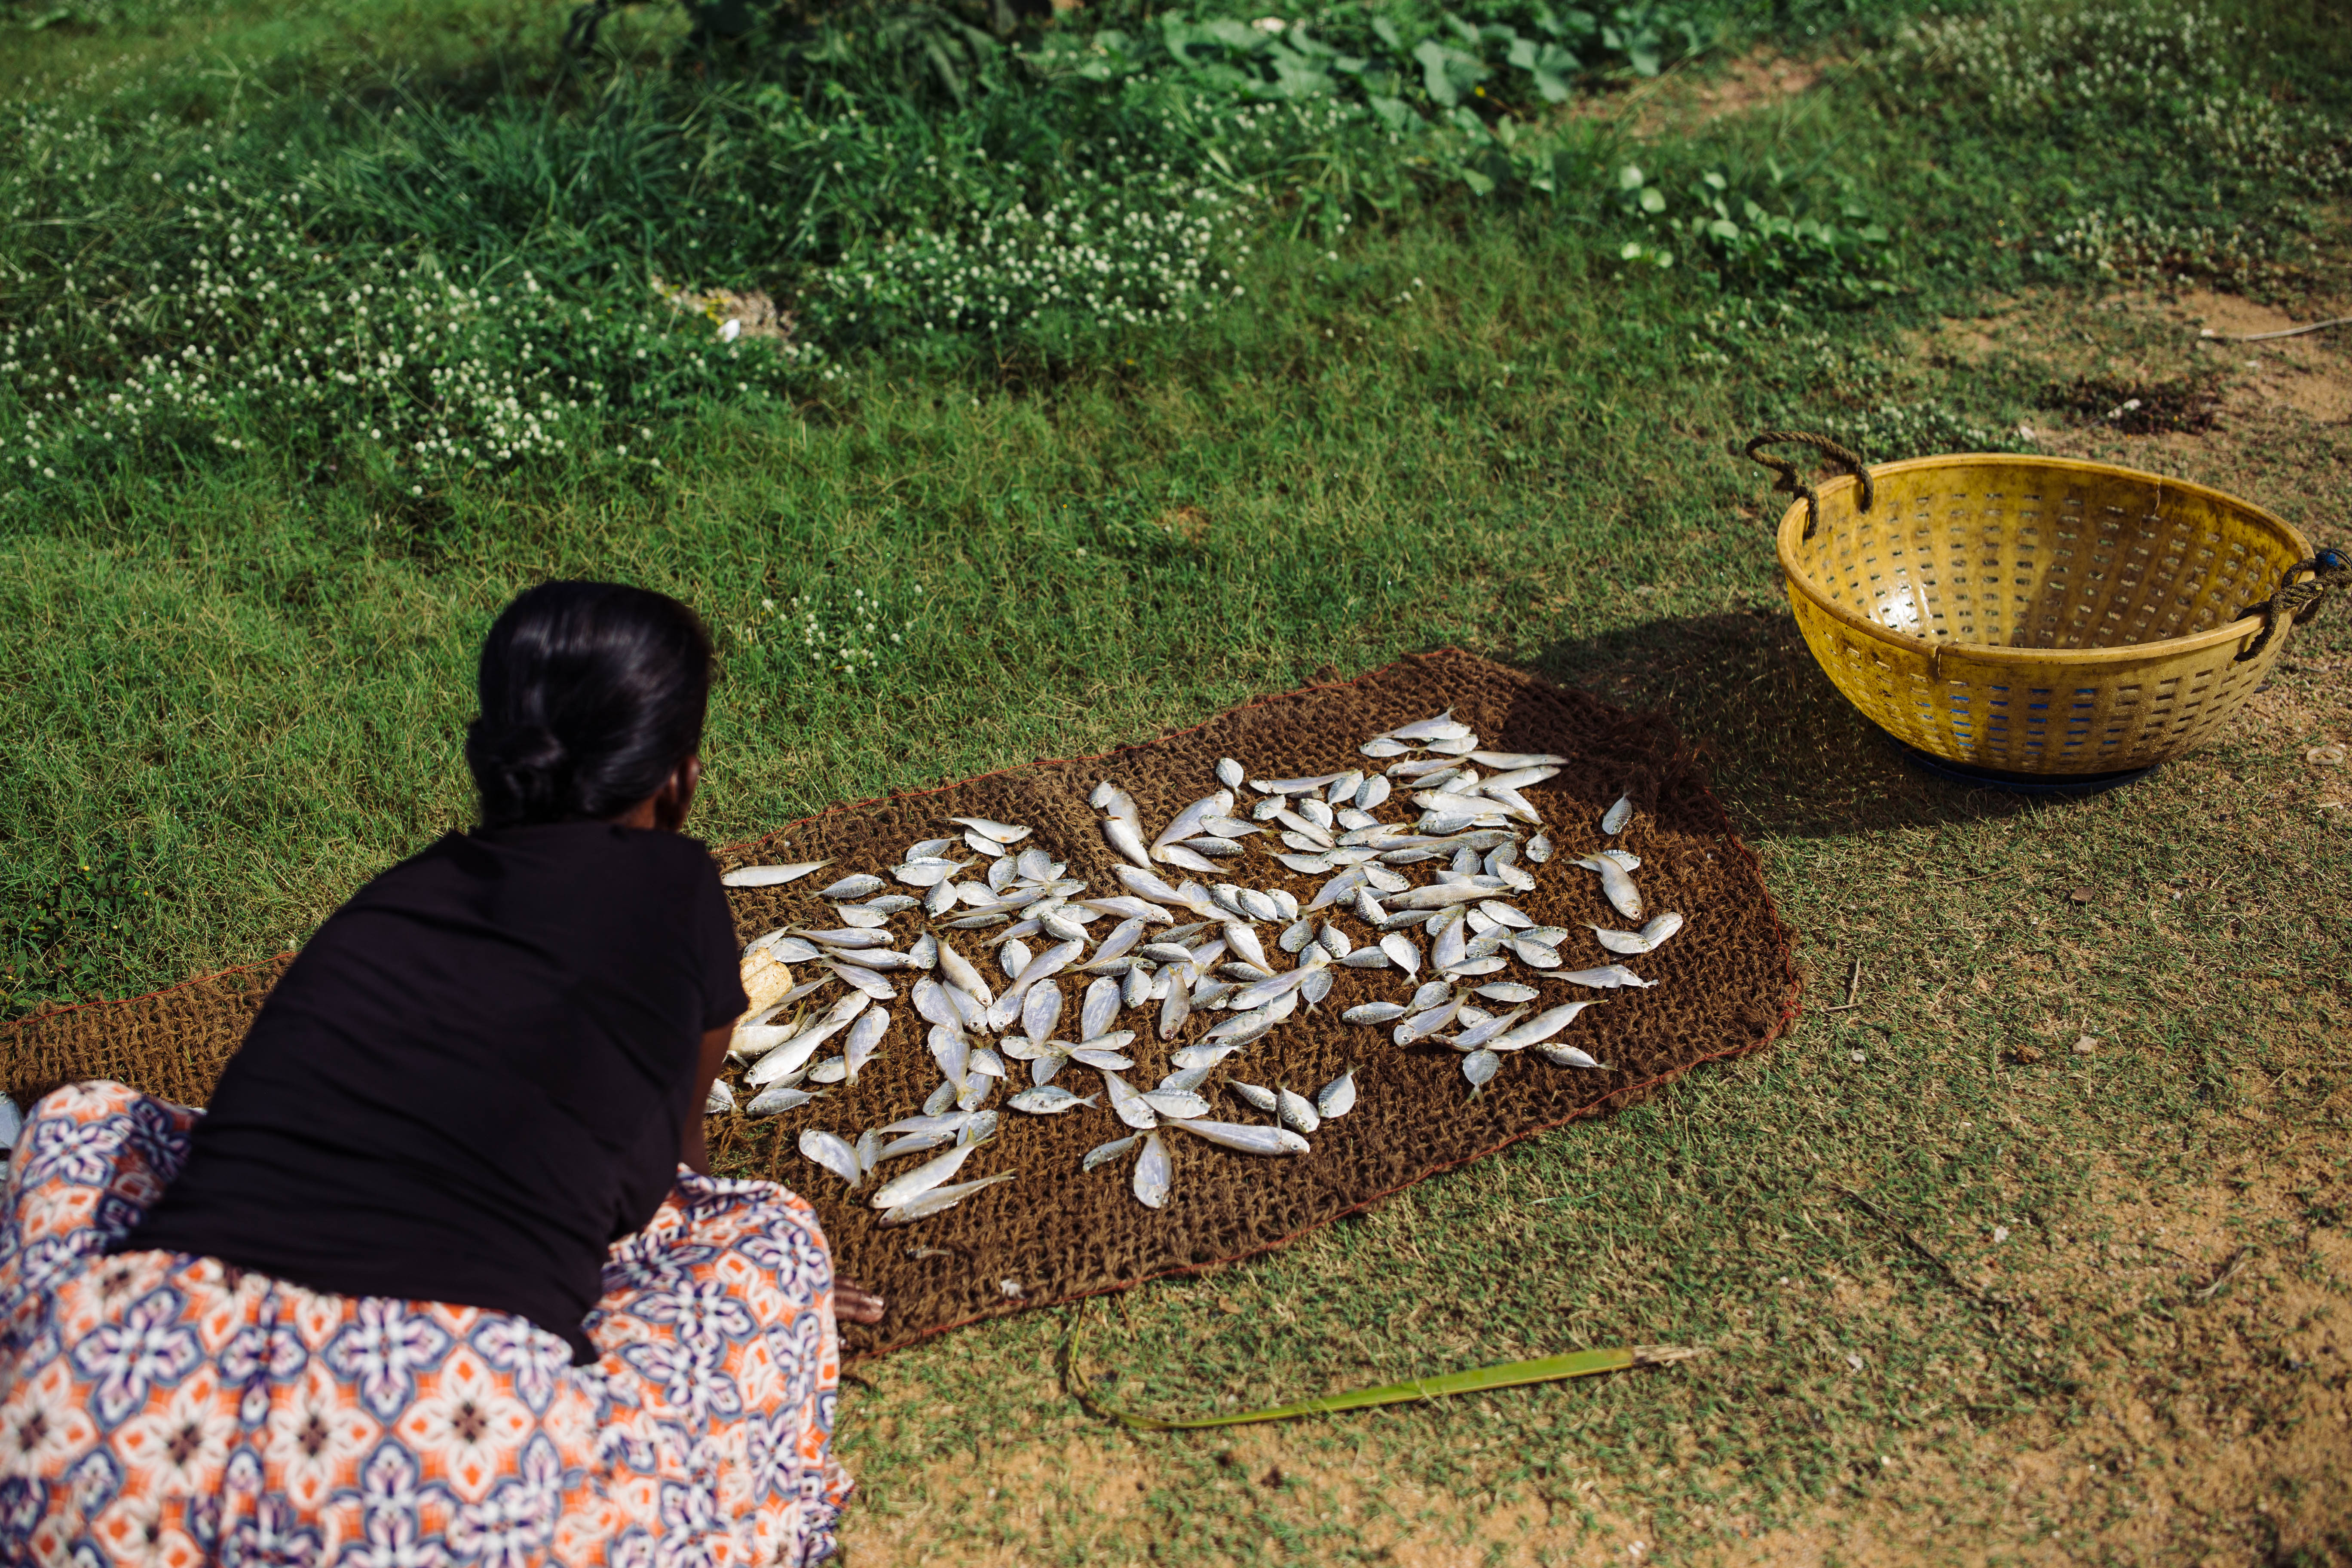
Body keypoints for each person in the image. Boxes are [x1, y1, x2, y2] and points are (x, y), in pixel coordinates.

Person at [0, 580, 881, 1566]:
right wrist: (748, 1286)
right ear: (680, 777)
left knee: (83, 1119)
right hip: (425, 1468)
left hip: (100, 1429)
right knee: (771, 1241)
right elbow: (677, 1181)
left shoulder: (394, 896)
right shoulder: (677, 891)